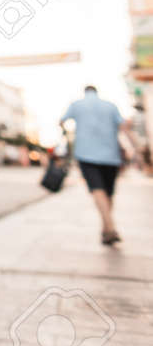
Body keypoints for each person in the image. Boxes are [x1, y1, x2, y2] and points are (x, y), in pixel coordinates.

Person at [60, 85, 132, 246]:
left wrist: (65, 134)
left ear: (85, 92)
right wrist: (136, 150)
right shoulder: (110, 106)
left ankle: (110, 228)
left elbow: (62, 121)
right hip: (111, 155)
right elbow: (123, 126)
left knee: (97, 190)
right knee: (108, 193)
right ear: (97, 92)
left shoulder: (76, 105)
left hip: (86, 154)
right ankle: (106, 229)